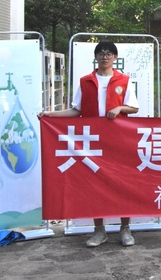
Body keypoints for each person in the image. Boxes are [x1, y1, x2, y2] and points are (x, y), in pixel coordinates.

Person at [39, 41, 139, 247]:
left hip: (118, 140)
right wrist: (51, 114)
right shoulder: (86, 81)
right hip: (92, 141)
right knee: (95, 185)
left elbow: (134, 108)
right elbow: (76, 110)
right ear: (96, 57)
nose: (105, 57)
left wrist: (120, 108)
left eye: (109, 54)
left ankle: (125, 228)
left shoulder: (124, 80)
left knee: (123, 183)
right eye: (101, 53)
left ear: (115, 57)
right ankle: (99, 230)